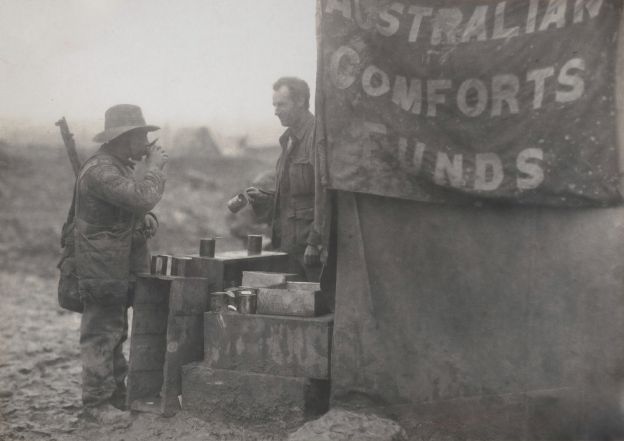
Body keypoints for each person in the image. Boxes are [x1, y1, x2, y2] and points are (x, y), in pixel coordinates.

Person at [75, 104, 167, 424]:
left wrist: (144, 220)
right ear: (124, 138)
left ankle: (114, 393)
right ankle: (96, 404)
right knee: (102, 332)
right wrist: (155, 168)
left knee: (117, 331)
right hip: (102, 267)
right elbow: (140, 196)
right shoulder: (101, 169)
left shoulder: (116, 166)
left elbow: (129, 206)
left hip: (116, 265)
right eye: (142, 136)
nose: (146, 144)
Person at [246, 77, 323, 281]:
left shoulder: (318, 137)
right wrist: (267, 199)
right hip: (288, 245)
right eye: (274, 105)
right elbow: (293, 196)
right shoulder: (288, 140)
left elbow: (326, 194)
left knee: (318, 304)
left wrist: (316, 242)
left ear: (300, 101)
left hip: (311, 251)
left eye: (281, 104)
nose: (276, 111)